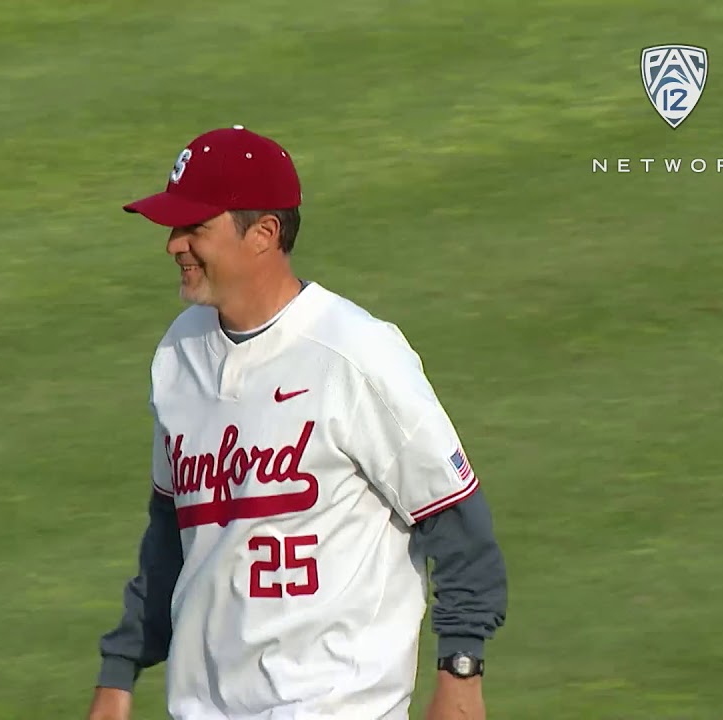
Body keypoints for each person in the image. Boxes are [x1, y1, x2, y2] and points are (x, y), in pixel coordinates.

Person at [87, 125, 508, 720]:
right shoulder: (177, 355)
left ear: (263, 234)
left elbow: (461, 529)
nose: (173, 244)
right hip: (204, 706)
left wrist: (461, 675)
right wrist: (119, 672)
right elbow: (169, 536)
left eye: (194, 228)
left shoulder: (355, 354)